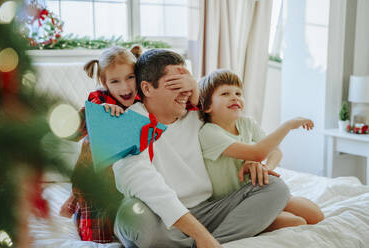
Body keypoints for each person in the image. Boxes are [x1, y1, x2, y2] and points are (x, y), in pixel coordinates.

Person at [112, 49, 291, 248]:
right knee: (133, 215)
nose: (186, 91)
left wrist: (252, 160)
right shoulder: (128, 124)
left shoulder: (196, 115)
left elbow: (227, 118)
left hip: (208, 210)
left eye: (187, 82)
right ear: (147, 89)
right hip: (157, 214)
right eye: (175, 84)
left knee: (276, 187)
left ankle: (200, 243)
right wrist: (200, 235)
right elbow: (145, 185)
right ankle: (207, 239)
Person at [59, 45, 199, 243]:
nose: (125, 87)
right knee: (99, 237)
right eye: (115, 81)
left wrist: (192, 85)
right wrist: (98, 113)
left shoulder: (145, 96)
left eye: (130, 78)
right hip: (99, 179)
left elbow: (192, 107)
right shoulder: (100, 100)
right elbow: (71, 132)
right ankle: (77, 199)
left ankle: (75, 201)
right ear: (104, 82)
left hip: (126, 180)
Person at [198, 69, 324, 231]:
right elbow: (258, 152)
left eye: (238, 93)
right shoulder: (209, 132)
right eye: (225, 94)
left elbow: (275, 151)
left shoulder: (246, 123)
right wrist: (289, 125)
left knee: (316, 215)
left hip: (255, 191)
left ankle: (271, 205)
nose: (234, 97)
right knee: (296, 222)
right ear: (207, 106)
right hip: (234, 202)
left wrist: (265, 168)